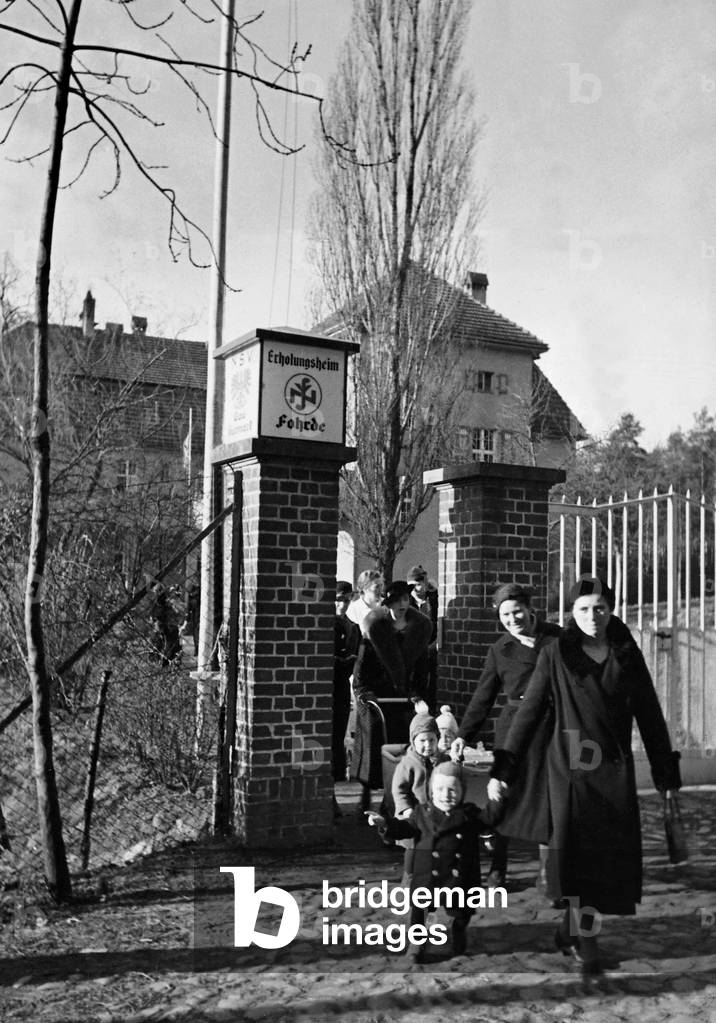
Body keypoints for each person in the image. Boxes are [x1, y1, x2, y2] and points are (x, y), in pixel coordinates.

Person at [489, 574, 682, 976]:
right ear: (571, 614)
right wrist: (504, 767)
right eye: (583, 609)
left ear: (611, 610)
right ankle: (586, 940)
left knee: (606, 858)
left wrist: (666, 775)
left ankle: (569, 928)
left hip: (613, 769)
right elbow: (529, 713)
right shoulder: (557, 655)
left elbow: (649, 713)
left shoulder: (626, 652)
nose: (593, 616)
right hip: (570, 770)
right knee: (581, 857)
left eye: (600, 608)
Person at [450, 582, 561, 887]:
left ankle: (549, 872)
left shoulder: (557, 639)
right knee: (502, 795)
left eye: (517, 612)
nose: (513, 620)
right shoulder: (500, 650)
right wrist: (464, 735)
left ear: (530, 610)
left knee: (550, 799)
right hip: (513, 731)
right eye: (505, 615)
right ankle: (498, 867)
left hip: (551, 729)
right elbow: (483, 696)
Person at [368, 760, 503, 963]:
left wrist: (497, 799)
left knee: (461, 911)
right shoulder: (422, 812)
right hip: (427, 874)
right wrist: (385, 823)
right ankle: (416, 945)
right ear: (431, 790)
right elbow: (404, 828)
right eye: (439, 789)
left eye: (452, 789)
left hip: (460, 877)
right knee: (419, 911)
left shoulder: (469, 814)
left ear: (462, 790)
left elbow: (490, 819)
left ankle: (458, 936)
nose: (446, 794)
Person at [351, 580, 432, 813]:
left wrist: (418, 693)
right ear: (387, 604)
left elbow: (422, 668)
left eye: (405, 599)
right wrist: (365, 693)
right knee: (374, 736)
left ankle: (398, 795)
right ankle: (366, 793)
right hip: (377, 696)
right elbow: (361, 669)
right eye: (396, 601)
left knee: (405, 743)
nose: (401, 604)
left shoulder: (420, 629)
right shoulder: (375, 629)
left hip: (404, 697)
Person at [391, 712, 448, 883]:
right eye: (422, 741)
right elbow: (399, 790)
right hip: (414, 816)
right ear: (413, 741)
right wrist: (406, 809)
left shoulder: (442, 759)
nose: (427, 745)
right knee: (413, 852)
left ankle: (436, 879)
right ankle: (408, 880)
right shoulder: (407, 764)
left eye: (431, 740)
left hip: (435, 816)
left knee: (436, 849)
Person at [333, 580, 360, 814]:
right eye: (337, 599)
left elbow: (354, 659)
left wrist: (347, 662)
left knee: (339, 736)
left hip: (341, 687)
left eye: (345, 599)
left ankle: (338, 786)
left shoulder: (354, 628)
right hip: (325, 687)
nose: (341, 604)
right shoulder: (325, 626)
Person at [407, 564, 439, 710]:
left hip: (431, 646)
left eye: (423, 582)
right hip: (413, 648)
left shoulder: (434, 599)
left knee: (432, 682)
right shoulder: (407, 601)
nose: (421, 586)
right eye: (418, 583)